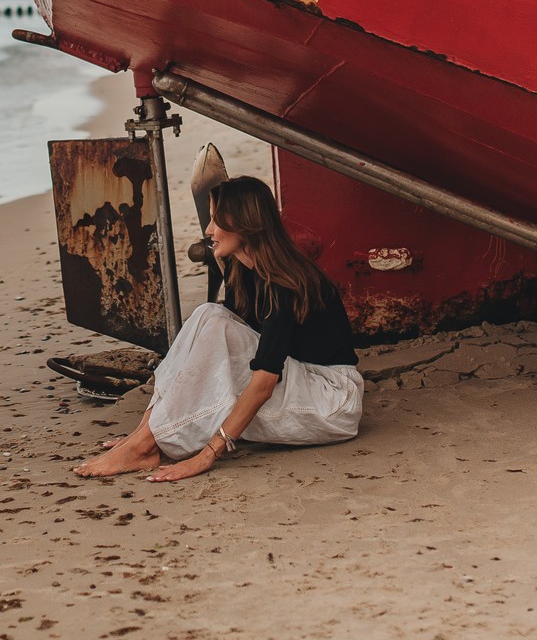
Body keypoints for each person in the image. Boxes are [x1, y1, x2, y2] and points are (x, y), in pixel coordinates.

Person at [74, 175, 362, 484]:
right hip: (300, 383)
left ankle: (146, 443)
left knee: (217, 328)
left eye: (216, 219)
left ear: (245, 223)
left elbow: (264, 382)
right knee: (207, 315)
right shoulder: (245, 272)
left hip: (332, 402)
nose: (209, 230)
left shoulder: (283, 283)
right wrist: (151, 426)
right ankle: (145, 438)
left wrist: (207, 455)